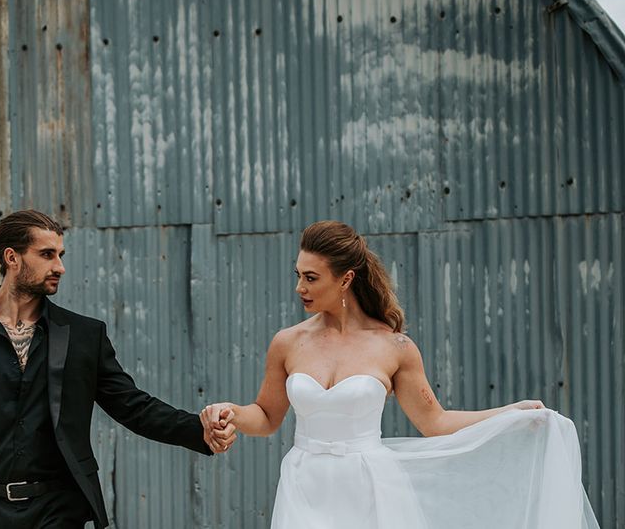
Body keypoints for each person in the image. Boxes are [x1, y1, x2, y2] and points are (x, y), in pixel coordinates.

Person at [201, 220, 599, 528]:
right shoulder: (287, 342)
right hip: (304, 483)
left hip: (371, 487)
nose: (299, 288)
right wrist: (230, 412)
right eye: (298, 275)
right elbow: (267, 417)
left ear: (346, 279)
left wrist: (511, 413)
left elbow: (435, 421)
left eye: (311, 277)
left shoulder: (395, 348)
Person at [0, 209, 235, 529]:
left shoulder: (83, 336)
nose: (60, 267)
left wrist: (198, 430)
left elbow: (132, 406)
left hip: (58, 510)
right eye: (47, 254)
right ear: (12, 258)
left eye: (60, 255)